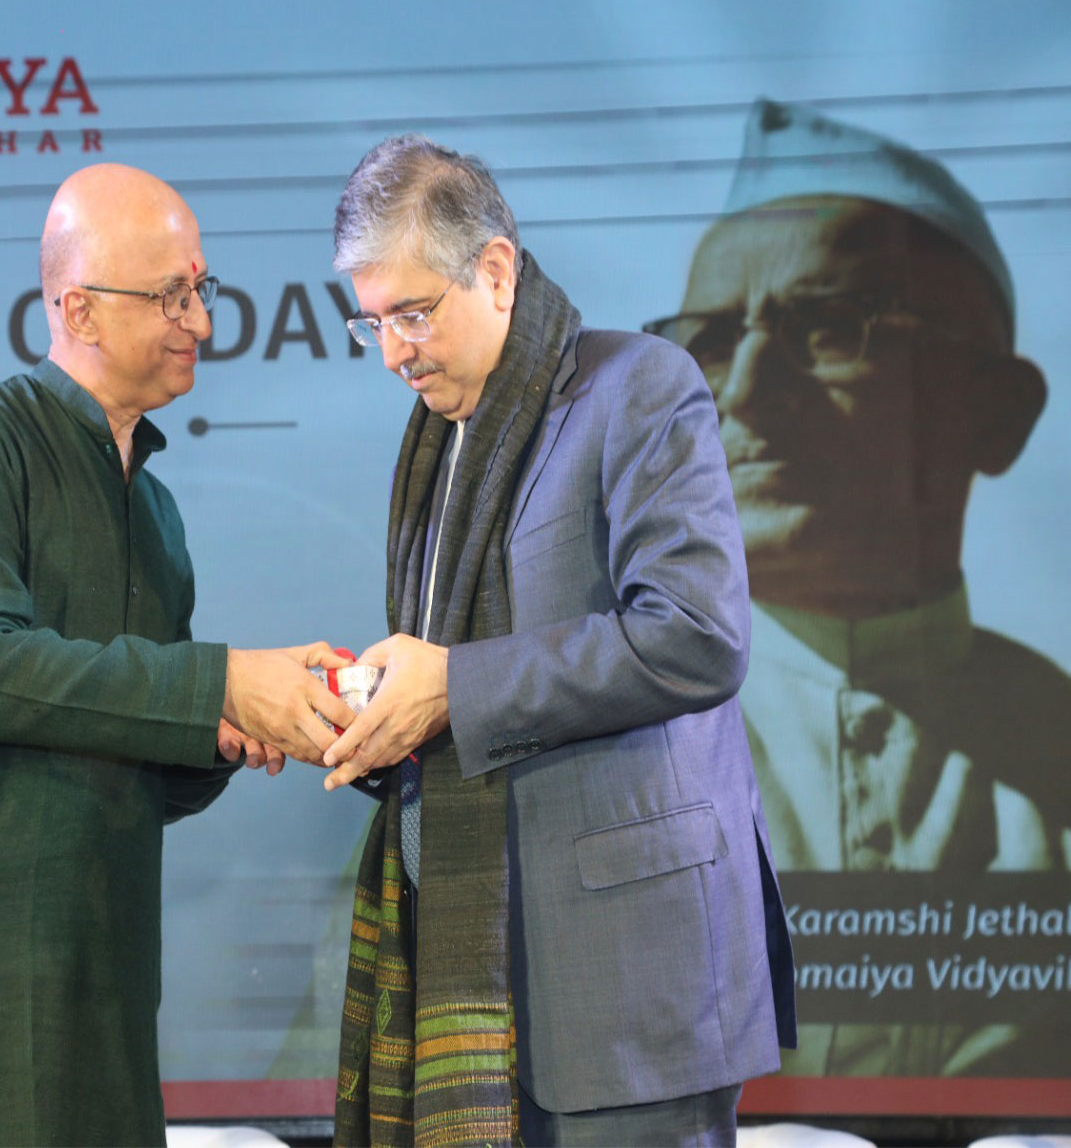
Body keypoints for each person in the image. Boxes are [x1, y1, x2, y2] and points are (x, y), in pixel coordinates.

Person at [0, 162, 356, 1148]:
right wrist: (217, 681)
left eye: (201, 291)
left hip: (105, 980)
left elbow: (140, 771)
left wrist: (232, 729)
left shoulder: (155, 512)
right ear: (76, 306)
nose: (197, 321)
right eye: (170, 294)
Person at [321, 134, 796, 1148]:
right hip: (480, 978)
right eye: (374, 324)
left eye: (413, 313)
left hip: (624, 990)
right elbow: (460, 678)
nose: (395, 350)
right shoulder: (439, 443)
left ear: (494, 270)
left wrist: (451, 685)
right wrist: (376, 706)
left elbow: (697, 635)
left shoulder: (638, 387)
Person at [643, 98, 1070, 1075]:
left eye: (828, 329)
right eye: (708, 339)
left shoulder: (1058, 746)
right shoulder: (610, 743)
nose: (744, 390)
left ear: (997, 411)